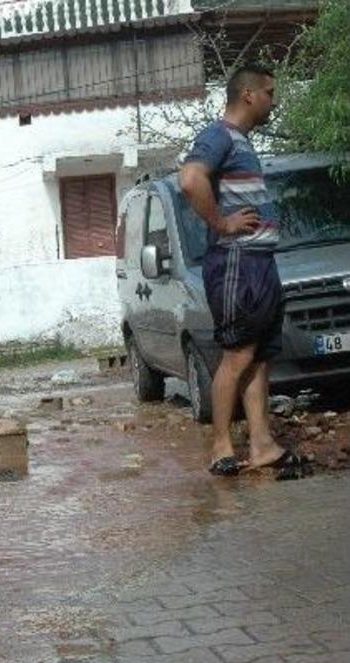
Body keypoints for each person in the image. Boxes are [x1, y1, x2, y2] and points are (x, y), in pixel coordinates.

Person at [180, 65, 303, 477]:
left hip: (259, 261)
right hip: (237, 261)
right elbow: (190, 179)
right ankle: (220, 446)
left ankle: (262, 443)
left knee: (260, 357)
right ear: (248, 95)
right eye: (270, 92)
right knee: (238, 354)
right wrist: (222, 223)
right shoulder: (219, 135)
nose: (274, 100)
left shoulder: (241, 142)